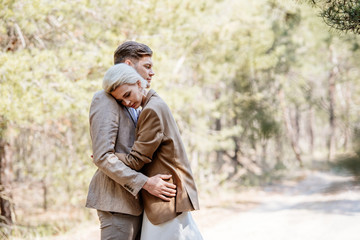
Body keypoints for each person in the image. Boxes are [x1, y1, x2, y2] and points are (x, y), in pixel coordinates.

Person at [86, 41, 177, 240]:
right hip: (116, 202)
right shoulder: (105, 100)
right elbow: (102, 157)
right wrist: (146, 183)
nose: (151, 73)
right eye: (147, 66)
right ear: (128, 66)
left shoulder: (136, 103)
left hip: (136, 202)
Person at [102, 63, 203, 240]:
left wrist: (107, 156)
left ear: (139, 84)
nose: (126, 102)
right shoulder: (155, 104)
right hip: (167, 196)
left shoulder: (151, 111)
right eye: (121, 101)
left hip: (165, 199)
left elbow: (136, 161)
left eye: (127, 95)